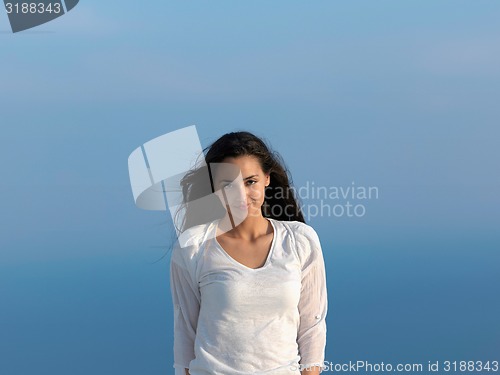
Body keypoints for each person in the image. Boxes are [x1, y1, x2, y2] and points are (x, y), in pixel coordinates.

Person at [170, 131, 328, 375]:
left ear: (266, 178)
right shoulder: (193, 246)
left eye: (250, 181)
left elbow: (312, 326)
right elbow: (185, 334)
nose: (240, 195)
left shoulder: (300, 240)